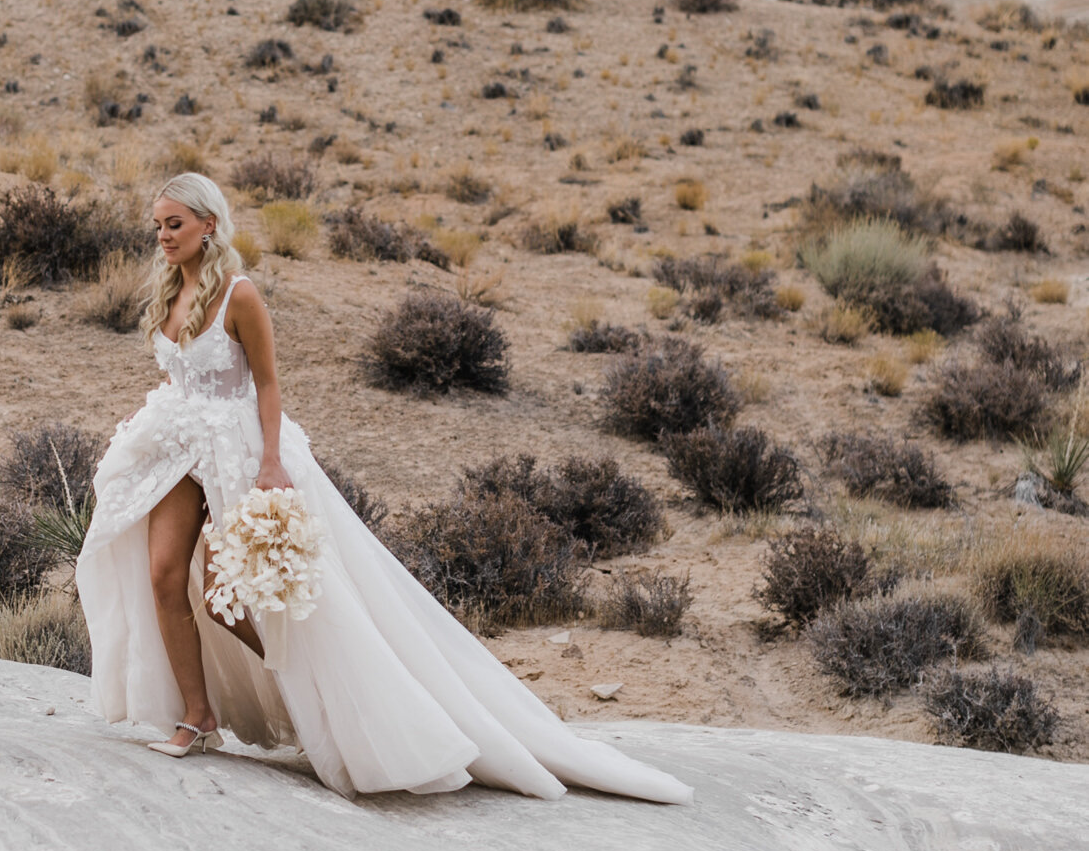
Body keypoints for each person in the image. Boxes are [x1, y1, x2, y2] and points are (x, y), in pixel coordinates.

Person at [75, 171, 691, 804]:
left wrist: (269, 463)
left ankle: (332, 704)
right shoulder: (168, 288)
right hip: (176, 449)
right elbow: (183, 379)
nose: (162, 236)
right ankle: (196, 716)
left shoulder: (240, 295)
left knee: (243, 599)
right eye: (157, 225)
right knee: (162, 576)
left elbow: (267, 386)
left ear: (208, 224)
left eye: (173, 224)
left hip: (240, 451)